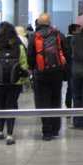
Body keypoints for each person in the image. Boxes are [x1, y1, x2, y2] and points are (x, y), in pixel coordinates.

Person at [27, 13, 67, 141]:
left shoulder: (34, 37)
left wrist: (34, 69)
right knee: (56, 99)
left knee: (44, 102)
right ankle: (56, 128)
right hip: (57, 73)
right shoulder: (58, 34)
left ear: (38, 23)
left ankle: (46, 131)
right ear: (49, 22)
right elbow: (66, 51)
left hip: (41, 74)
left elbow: (30, 58)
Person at [0, 24, 29, 145]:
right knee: (11, 105)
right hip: (15, 82)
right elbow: (24, 64)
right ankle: (10, 135)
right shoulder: (19, 46)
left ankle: (0, 131)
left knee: (0, 106)